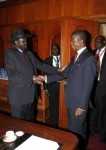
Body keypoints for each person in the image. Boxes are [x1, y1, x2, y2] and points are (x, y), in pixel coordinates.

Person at [39, 30, 97, 149]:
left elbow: (88, 85)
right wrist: (45, 78)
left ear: (80, 41)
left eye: (73, 41)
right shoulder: (76, 56)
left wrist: (82, 106)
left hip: (79, 104)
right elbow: (64, 73)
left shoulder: (89, 58)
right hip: (72, 100)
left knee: (77, 130)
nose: (71, 43)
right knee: (74, 129)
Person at [5, 28, 59, 122]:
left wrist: (58, 70)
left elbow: (41, 65)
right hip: (19, 98)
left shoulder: (29, 53)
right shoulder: (10, 53)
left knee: (30, 123)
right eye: (23, 40)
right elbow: (12, 75)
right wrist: (32, 78)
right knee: (18, 125)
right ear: (16, 42)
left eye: (26, 40)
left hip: (31, 96)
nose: (26, 42)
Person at [93, 35, 106, 143]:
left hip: (103, 85)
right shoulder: (93, 52)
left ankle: (103, 134)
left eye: (98, 42)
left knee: (102, 109)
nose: (96, 44)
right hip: (93, 85)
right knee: (94, 108)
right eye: (95, 42)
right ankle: (94, 129)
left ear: (104, 42)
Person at [45, 43, 60, 127]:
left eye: (56, 48)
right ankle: (54, 122)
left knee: (61, 104)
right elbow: (45, 74)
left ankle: (61, 120)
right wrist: (46, 88)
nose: (55, 50)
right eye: (53, 49)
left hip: (62, 86)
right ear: (51, 51)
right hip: (52, 86)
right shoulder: (47, 60)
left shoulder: (65, 58)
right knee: (53, 104)